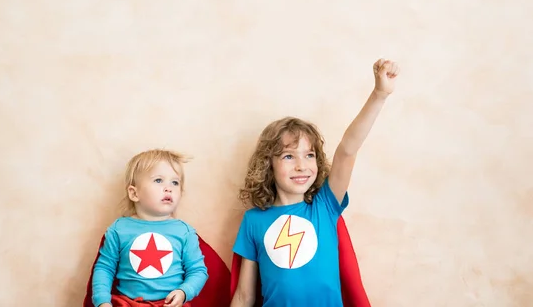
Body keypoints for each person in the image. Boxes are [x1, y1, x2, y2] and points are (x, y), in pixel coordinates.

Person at [230, 58, 400, 307]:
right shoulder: (253, 220)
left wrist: (379, 94)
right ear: (269, 164)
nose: (301, 165)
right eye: (288, 156)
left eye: (309, 155)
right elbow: (245, 296)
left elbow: (347, 151)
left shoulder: (324, 205)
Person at [92, 149, 208, 307]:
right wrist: (102, 301)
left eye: (175, 182)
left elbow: (198, 271)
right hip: (128, 303)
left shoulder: (184, 232)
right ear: (134, 193)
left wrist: (184, 291)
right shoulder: (119, 229)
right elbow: (104, 268)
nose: (169, 188)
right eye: (159, 180)